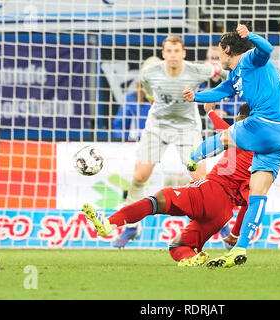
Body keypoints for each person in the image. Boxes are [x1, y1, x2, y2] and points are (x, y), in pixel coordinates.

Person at [183, 23, 280, 267]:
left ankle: (194, 156)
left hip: (267, 123)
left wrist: (251, 36)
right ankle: (239, 248)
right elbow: (221, 91)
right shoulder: (235, 75)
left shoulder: (250, 60)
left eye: (218, 53)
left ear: (227, 49)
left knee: (227, 137)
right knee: (257, 193)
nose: (217, 58)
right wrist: (196, 97)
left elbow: (267, 49)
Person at [81, 103, 253, 266]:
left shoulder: (240, 136)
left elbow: (224, 130)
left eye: (237, 118)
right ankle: (192, 258)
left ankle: (109, 223)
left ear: (242, 120)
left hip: (211, 191)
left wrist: (209, 111)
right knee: (178, 247)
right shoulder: (261, 158)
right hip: (223, 213)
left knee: (158, 200)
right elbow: (249, 203)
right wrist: (234, 234)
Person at [113, 35, 227, 248]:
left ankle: (220, 223)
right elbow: (148, 91)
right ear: (163, 54)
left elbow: (224, 72)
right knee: (140, 175)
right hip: (158, 126)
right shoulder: (150, 72)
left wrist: (226, 90)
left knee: (201, 178)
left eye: (177, 51)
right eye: (169, 51)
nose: (173, 55)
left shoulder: (197, 70)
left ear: (183, 53)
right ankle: (131, 227)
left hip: (187, 128)